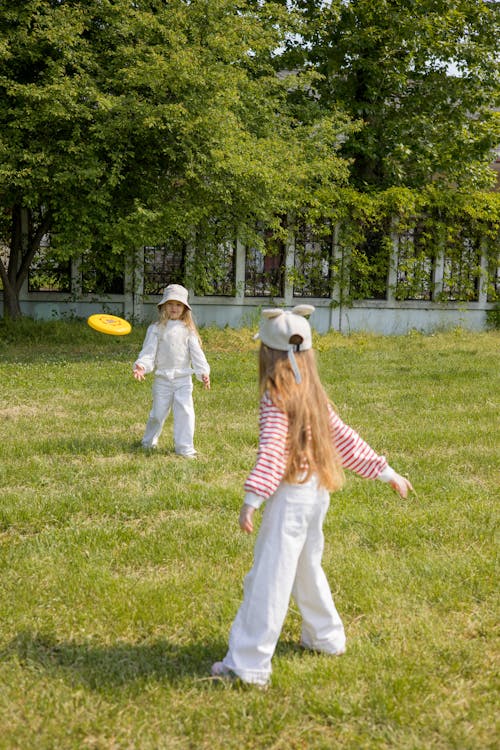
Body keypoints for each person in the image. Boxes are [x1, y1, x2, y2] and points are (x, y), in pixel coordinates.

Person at [211, 305, 413, 687]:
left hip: (289, 498)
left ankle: (249, 664)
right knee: (306, 565)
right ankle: (325, 637)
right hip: (316, 493)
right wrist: (384, 471)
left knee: (268, 576)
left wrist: (252, 497)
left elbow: (272, 451)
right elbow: (346, 440)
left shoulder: (276, 396)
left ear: (267, 355)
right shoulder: (315, 394)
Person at [133, 284, 210, 457]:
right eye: (170, 304)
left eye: (178, 304)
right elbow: (148, 352)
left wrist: (203, 372)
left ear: (185, 308)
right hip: (162, 380)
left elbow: (197, 354)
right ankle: (148, 442)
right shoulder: (155, 329)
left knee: (185, 413)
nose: (174, 308)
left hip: (183, 380)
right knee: (157, 414)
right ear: (163, 306)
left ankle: (185, 448)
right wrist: (141, 366)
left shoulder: (188, 331)